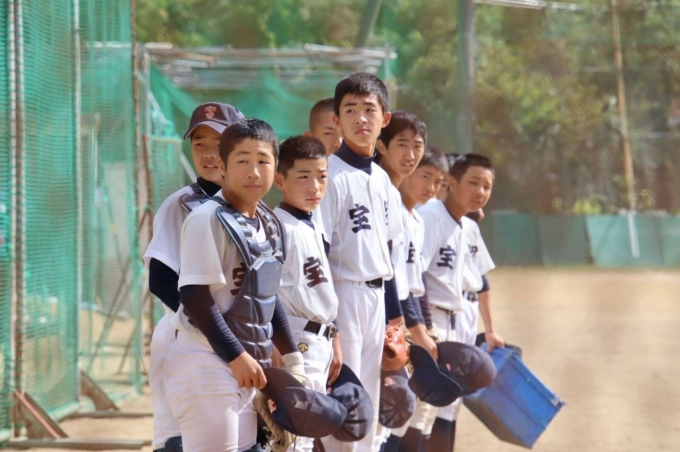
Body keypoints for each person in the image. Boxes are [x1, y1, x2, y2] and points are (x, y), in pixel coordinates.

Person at [163, 118, 305, 452]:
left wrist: (293, 360)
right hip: (206, 360)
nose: (253, 171)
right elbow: (195, 297)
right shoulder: (206, 219)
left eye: (263, 161)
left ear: (275, 167)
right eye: (242, 161)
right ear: (223, 166)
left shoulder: (268, 221)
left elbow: (267, 296)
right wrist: (236, 356)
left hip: (245, 365)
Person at [143, 102, 243, 452]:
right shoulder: (182, 204)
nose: (209, 153)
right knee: (178, 440)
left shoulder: (251, 207)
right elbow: (160, 279)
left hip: (235, 341)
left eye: (219, 143)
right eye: (199, 144)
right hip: (185, 337)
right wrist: (211, 330)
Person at [319, 72, 404, 452]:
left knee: (367, 413)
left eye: (369, 109)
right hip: (343, 297)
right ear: (336, 119)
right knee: (344, 411)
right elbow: (318, 255)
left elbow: (387, 255)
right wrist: (332, 326)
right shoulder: (329, 176)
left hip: (375, 300)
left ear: (385, 118)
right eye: (350, 110)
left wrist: (396, 319)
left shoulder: (384, 181)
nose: (360, 118)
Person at [418, 153, 505, 452]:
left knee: (447, 404)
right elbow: (415, 277)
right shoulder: (430, 216)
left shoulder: (469, 227)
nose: (480, 191)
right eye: (473, 183)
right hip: (433, 319)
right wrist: (423, 327)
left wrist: (490, 328)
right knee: (421, 408)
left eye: (486, 186)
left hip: (461, 317)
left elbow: (482, 282)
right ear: (451, 183)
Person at [273, 135, 343, 452]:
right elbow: (265, 293)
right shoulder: (279, 226)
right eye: (303, 176)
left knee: (307, 437)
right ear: (280, 180)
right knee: (294, 440)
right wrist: (275, 345)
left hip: (319, 339)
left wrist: (334, 336)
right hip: (296, 339)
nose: (315, 186)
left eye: (321, 176)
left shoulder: (311, 222)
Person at [381, 146, 449, 452]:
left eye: (438, 181)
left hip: (407, 320)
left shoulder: (417, 221)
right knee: (390, 407)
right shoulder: (393, 211)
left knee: (407, 409)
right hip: (388, 319)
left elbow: (415, 283)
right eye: (426, 176)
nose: (431, 187)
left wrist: (425, 328)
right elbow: (393, 280)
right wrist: (415, 330)